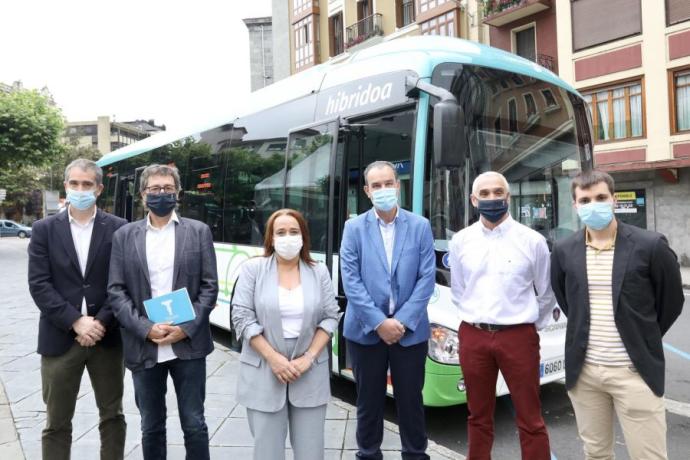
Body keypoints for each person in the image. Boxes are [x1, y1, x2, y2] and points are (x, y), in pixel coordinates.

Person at [550, 170, 684, 460]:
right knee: (596, 453)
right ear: (575, 205)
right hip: (585, 375)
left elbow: (671, 301)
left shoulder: (650, 245)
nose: (593, 204)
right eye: (585, 200)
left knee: (649, 456)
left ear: (613, 199)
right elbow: (568, 301)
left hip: (635, 372)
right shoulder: (564, 250)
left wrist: (641, 335)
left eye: (600, 197)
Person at [107, 164, 218, 460]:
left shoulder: (198, 232)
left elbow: (209, 287)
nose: (161, 194)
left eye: (168, 189)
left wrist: (186, 327)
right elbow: (116, 291)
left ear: (178, 193)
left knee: (194, 424)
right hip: (145, 345)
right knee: (151, 426)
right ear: (143, 195)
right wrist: (145, 328)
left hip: (188, 344)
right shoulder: (124, 236)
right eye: (154, 189)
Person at [448, 171, 554, 460]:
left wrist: (528, 326)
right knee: (478, 416)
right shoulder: (461, 241)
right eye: (485, 194)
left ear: (508, 197)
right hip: (473, 335)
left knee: (530, 419)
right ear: (474, 199)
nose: (492, 198)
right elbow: (459, 290)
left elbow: (546, 293)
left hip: (518, 336)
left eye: (498, 192)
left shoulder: (532, 241)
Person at [28, 158, 127, 460]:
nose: (80, 189)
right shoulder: (44, 229)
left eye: (87, 184)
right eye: (75, 183)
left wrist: (100, 323)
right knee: (56, 422)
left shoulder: (120, 229)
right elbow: (39, 284)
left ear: (98, 189)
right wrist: (76, 321)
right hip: (59, 338)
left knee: (112, 416)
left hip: (107, 338)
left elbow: (123, 283)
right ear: (66, 186)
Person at [340, 160, 436, 460]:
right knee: (368, 403)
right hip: (365, 332)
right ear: (368, 191)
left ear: (398, 185)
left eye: (388, 183)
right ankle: (368, 454)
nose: (383, 190)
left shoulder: (420, 226)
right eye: (376, 186)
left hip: (410, 333)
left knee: (411, 402)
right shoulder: (353, 228)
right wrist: (380, 322)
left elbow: (426, 278)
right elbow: (351, 280)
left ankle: (415, 455)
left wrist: (403, 322)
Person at [231, 208, 339, 460]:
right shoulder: (253, 270)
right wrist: (274, 359)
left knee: (311, 452)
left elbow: (331, 316)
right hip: (263, 369)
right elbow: (242, 317)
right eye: (281, 232)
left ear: (303, 236)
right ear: (270, 237)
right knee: (267, 452)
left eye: (294, 231)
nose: (287, 237)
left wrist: (309, 357)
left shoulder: (318, 271)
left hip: (309, 369)